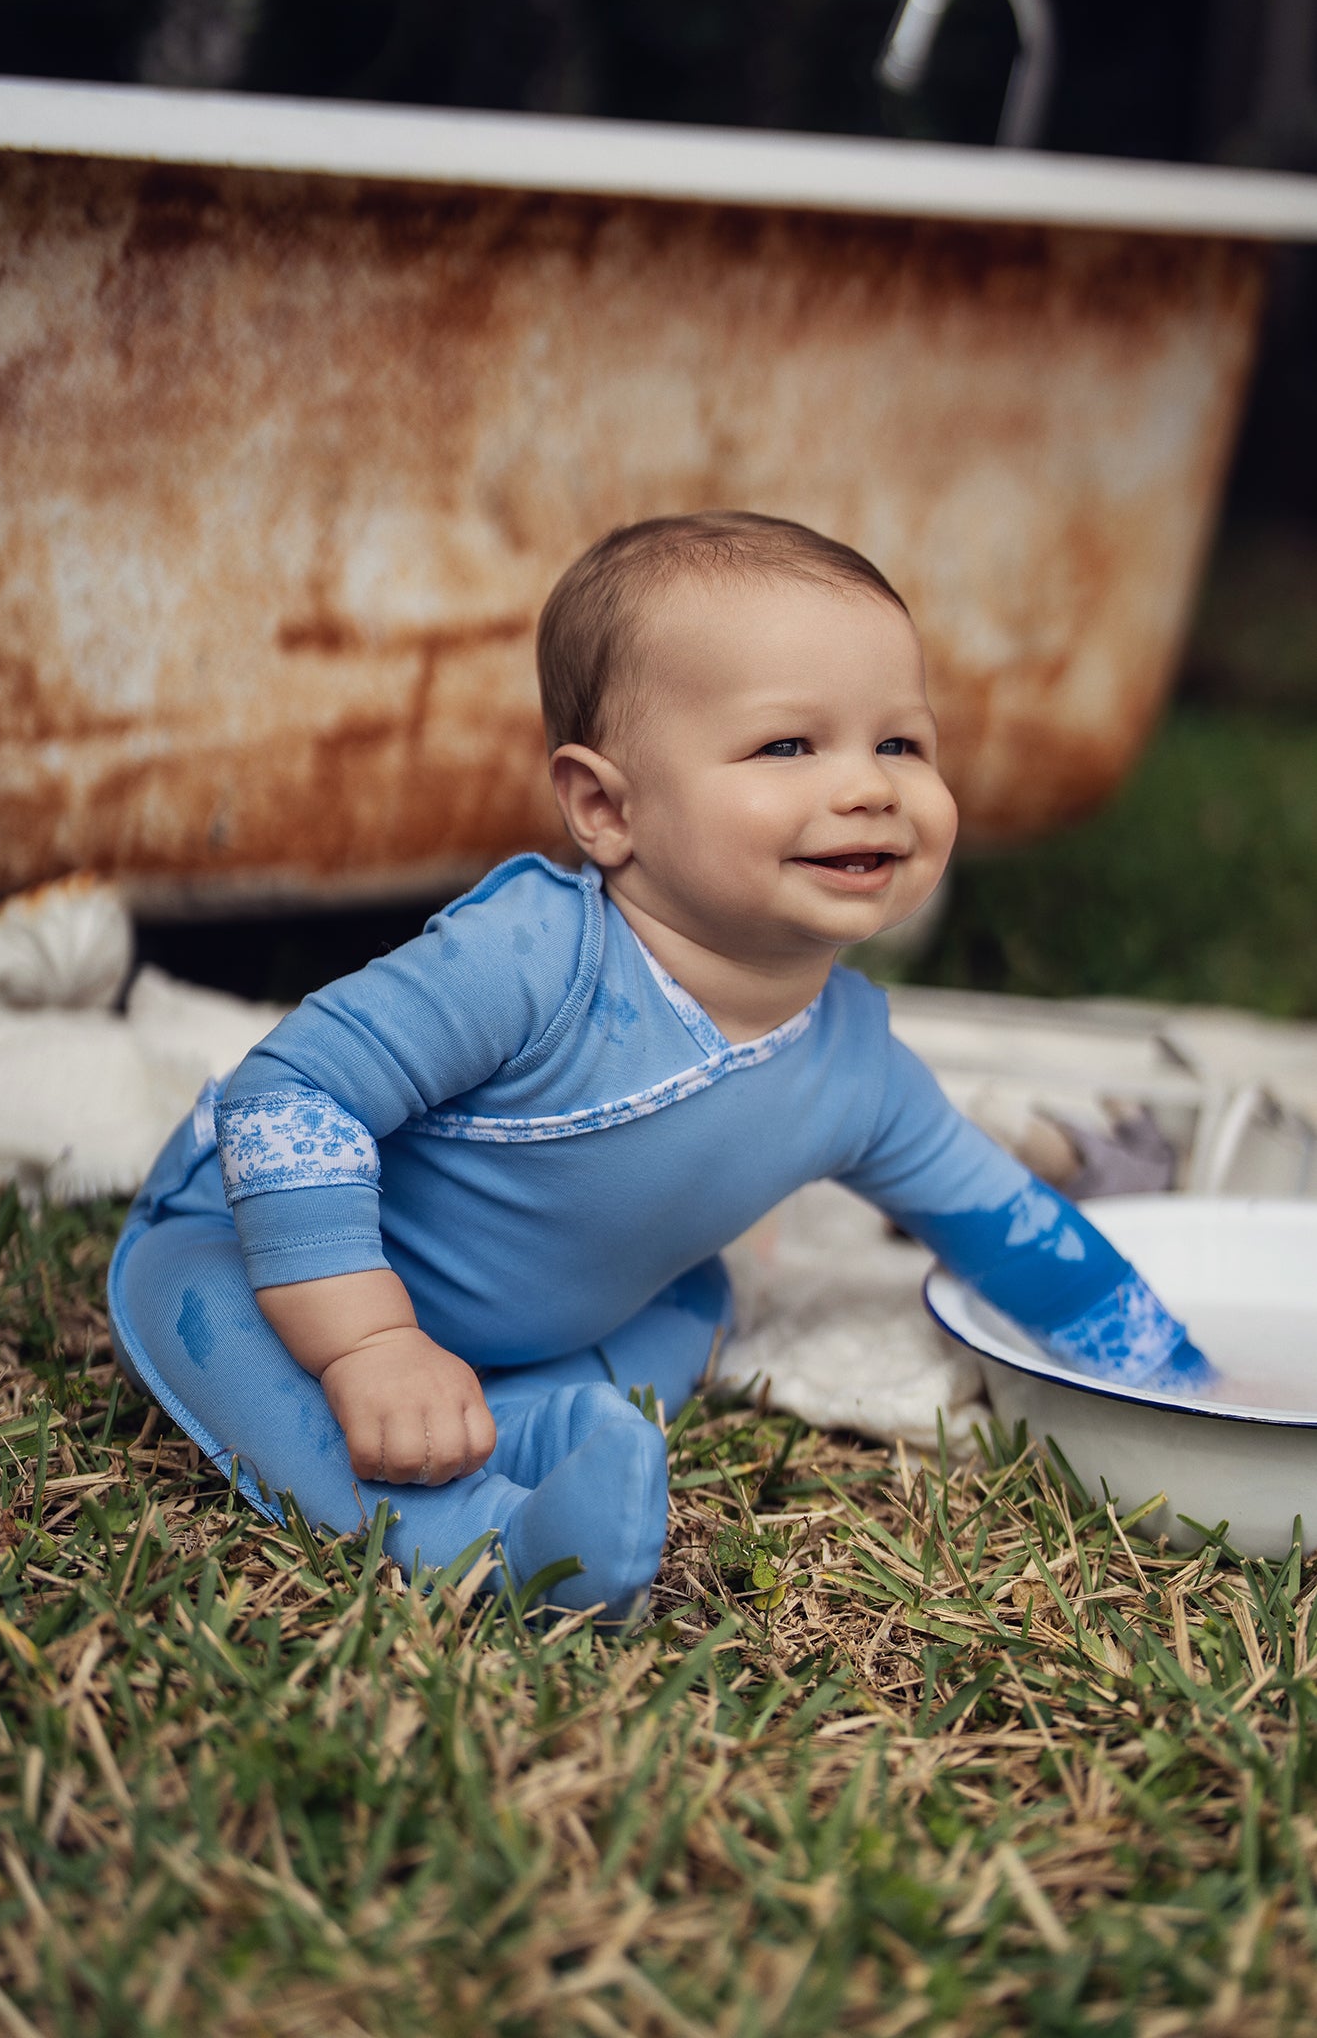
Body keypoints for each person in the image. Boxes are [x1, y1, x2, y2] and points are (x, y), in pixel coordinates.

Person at [108, 511, 1208, 1619]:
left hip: (547, 1326)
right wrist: (370, 1342)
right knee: (219, 1325)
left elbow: (1013, 1230)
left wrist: (1182, 1381)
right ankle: (484, 1543)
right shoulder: (530, 959)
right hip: (270, 1256)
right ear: (605, 807)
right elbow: (290, 1094)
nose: (871, 786)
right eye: (789, 745)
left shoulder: (861, 1069)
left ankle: (522, 1424)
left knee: (696, 1300)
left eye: (901, 744)